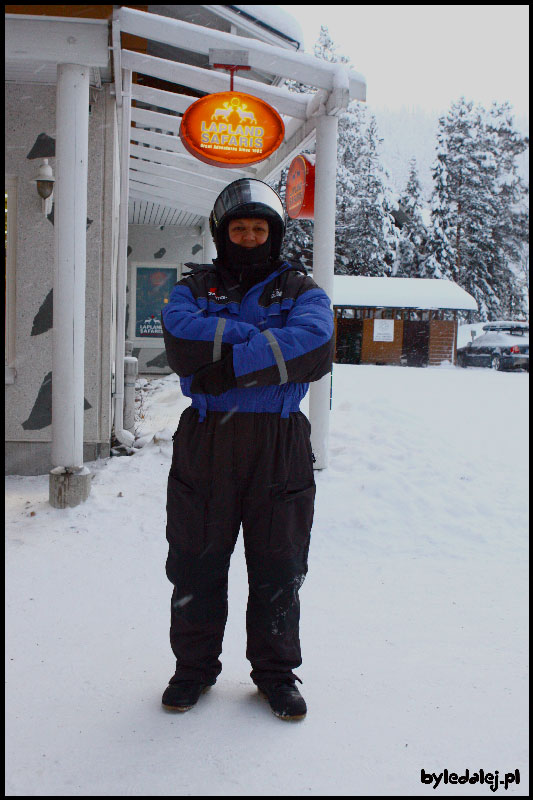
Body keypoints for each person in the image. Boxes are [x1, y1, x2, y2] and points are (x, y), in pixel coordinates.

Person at [161, 178, 334, 721]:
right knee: (195, 560)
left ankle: (276, 673)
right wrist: (261, 341)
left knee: (279, 564)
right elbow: (180, 337)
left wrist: (230, 361)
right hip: (208, 440)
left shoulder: (301, 289)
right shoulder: (194, 288)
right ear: (222, 232)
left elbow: (316, 343)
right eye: (240, 227)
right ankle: (193, 669)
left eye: (261, 228)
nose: (251, 236)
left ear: (275, 233)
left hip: (279, 443)